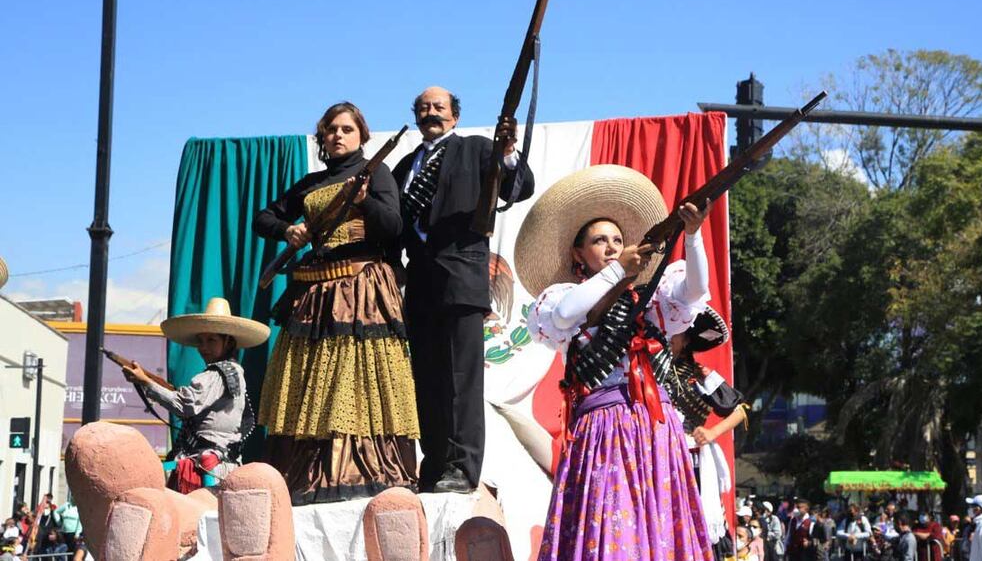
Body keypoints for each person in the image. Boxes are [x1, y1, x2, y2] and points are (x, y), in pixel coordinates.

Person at [517, 164, 713, 559]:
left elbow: (695, 290)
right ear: (578, 253)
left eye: (618, 240)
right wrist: (619, 270)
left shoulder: (649, 299)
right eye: (599, 240)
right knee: (609, 531)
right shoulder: (562, 297)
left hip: (656, 427)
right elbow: (566, 314)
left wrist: (693, 235)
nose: (610, 247)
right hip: (604, 429)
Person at [255, 101, 420, 504]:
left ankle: (360, 470)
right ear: (322, 137)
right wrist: (287, 230)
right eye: (331, 129)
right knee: (309, 381)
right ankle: (304, 472)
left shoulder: (378, 173)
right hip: (316, 292)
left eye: (347, 129)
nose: (338, 135)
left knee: (356, 377)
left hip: (362, 289)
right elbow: (263, 218)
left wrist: (364, 200)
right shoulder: (310, 183)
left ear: (362, 135)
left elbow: (393, 227)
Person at [391, 86, 534, 493]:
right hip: (420, 283)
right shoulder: (404, 166)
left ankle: (462, 467)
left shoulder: (476, 149)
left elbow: (519, 187)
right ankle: (434, 464)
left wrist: (508, 152)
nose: (431, 113)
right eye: (423, 107)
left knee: (460, 380)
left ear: (454, 115)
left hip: (462, 279)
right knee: (427, 380)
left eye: (439, 107)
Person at [124, 297, 269, 493]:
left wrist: (146, 382)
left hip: (206, 468)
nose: (203, 347)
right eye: (201, 341)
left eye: (211, 340)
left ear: (228, 342)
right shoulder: (233, 370)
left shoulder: (217, 373)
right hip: (219, 464)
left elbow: (186, 405)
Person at [669, 307, 748, 559]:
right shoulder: (644, 369)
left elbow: (740, 411)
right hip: (654, 458)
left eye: (674, 330)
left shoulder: (700, 374)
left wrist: (712, 433)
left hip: (690, 462)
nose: (668, 335)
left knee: (696, 525)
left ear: (686, 339)